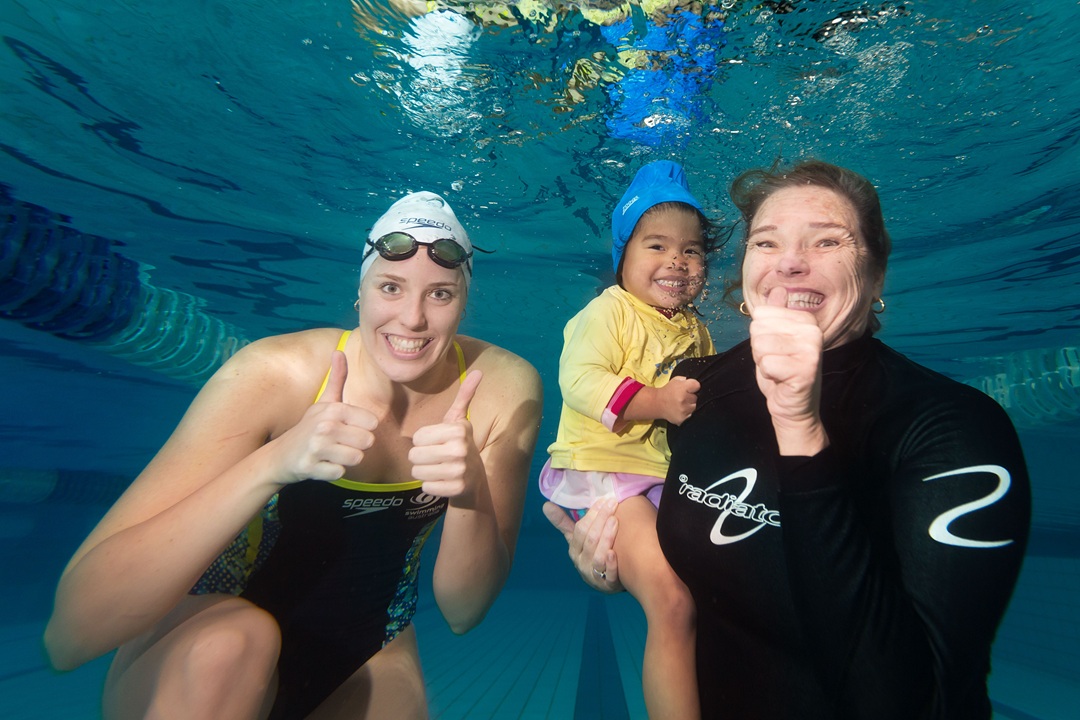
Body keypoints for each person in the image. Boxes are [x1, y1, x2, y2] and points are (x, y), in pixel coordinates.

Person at [547, 159, 1031, 719]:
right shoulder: (701, 383)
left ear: (876, 275)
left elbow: (919, 704)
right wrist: (615, 566)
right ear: (746, 273)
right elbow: (700, 570)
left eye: (827, 241)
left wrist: (801, 428)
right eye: (766, 242)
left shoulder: (952, 427)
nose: (792, 264)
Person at [44, 191, 543, 720]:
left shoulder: (502, 391)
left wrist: (469, 498)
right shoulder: (275, 375)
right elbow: (69, 637)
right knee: (234, 647)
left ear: (464, 303)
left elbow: (464, 612)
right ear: (361, 292)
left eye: (440, 294)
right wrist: (274, 463)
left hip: (367, 650)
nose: (413, 318)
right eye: (391, 287)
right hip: (200, 642)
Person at [541, 160, 718, 719]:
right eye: (657, 245)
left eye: (691, 250)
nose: (677, 261)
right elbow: (580, 379)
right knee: (671, 602)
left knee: (715, 588)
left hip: (655, 476)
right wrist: (658, 402)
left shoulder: (695, 327)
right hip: (602, 471)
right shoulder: (609, 311)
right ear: (623, 258)